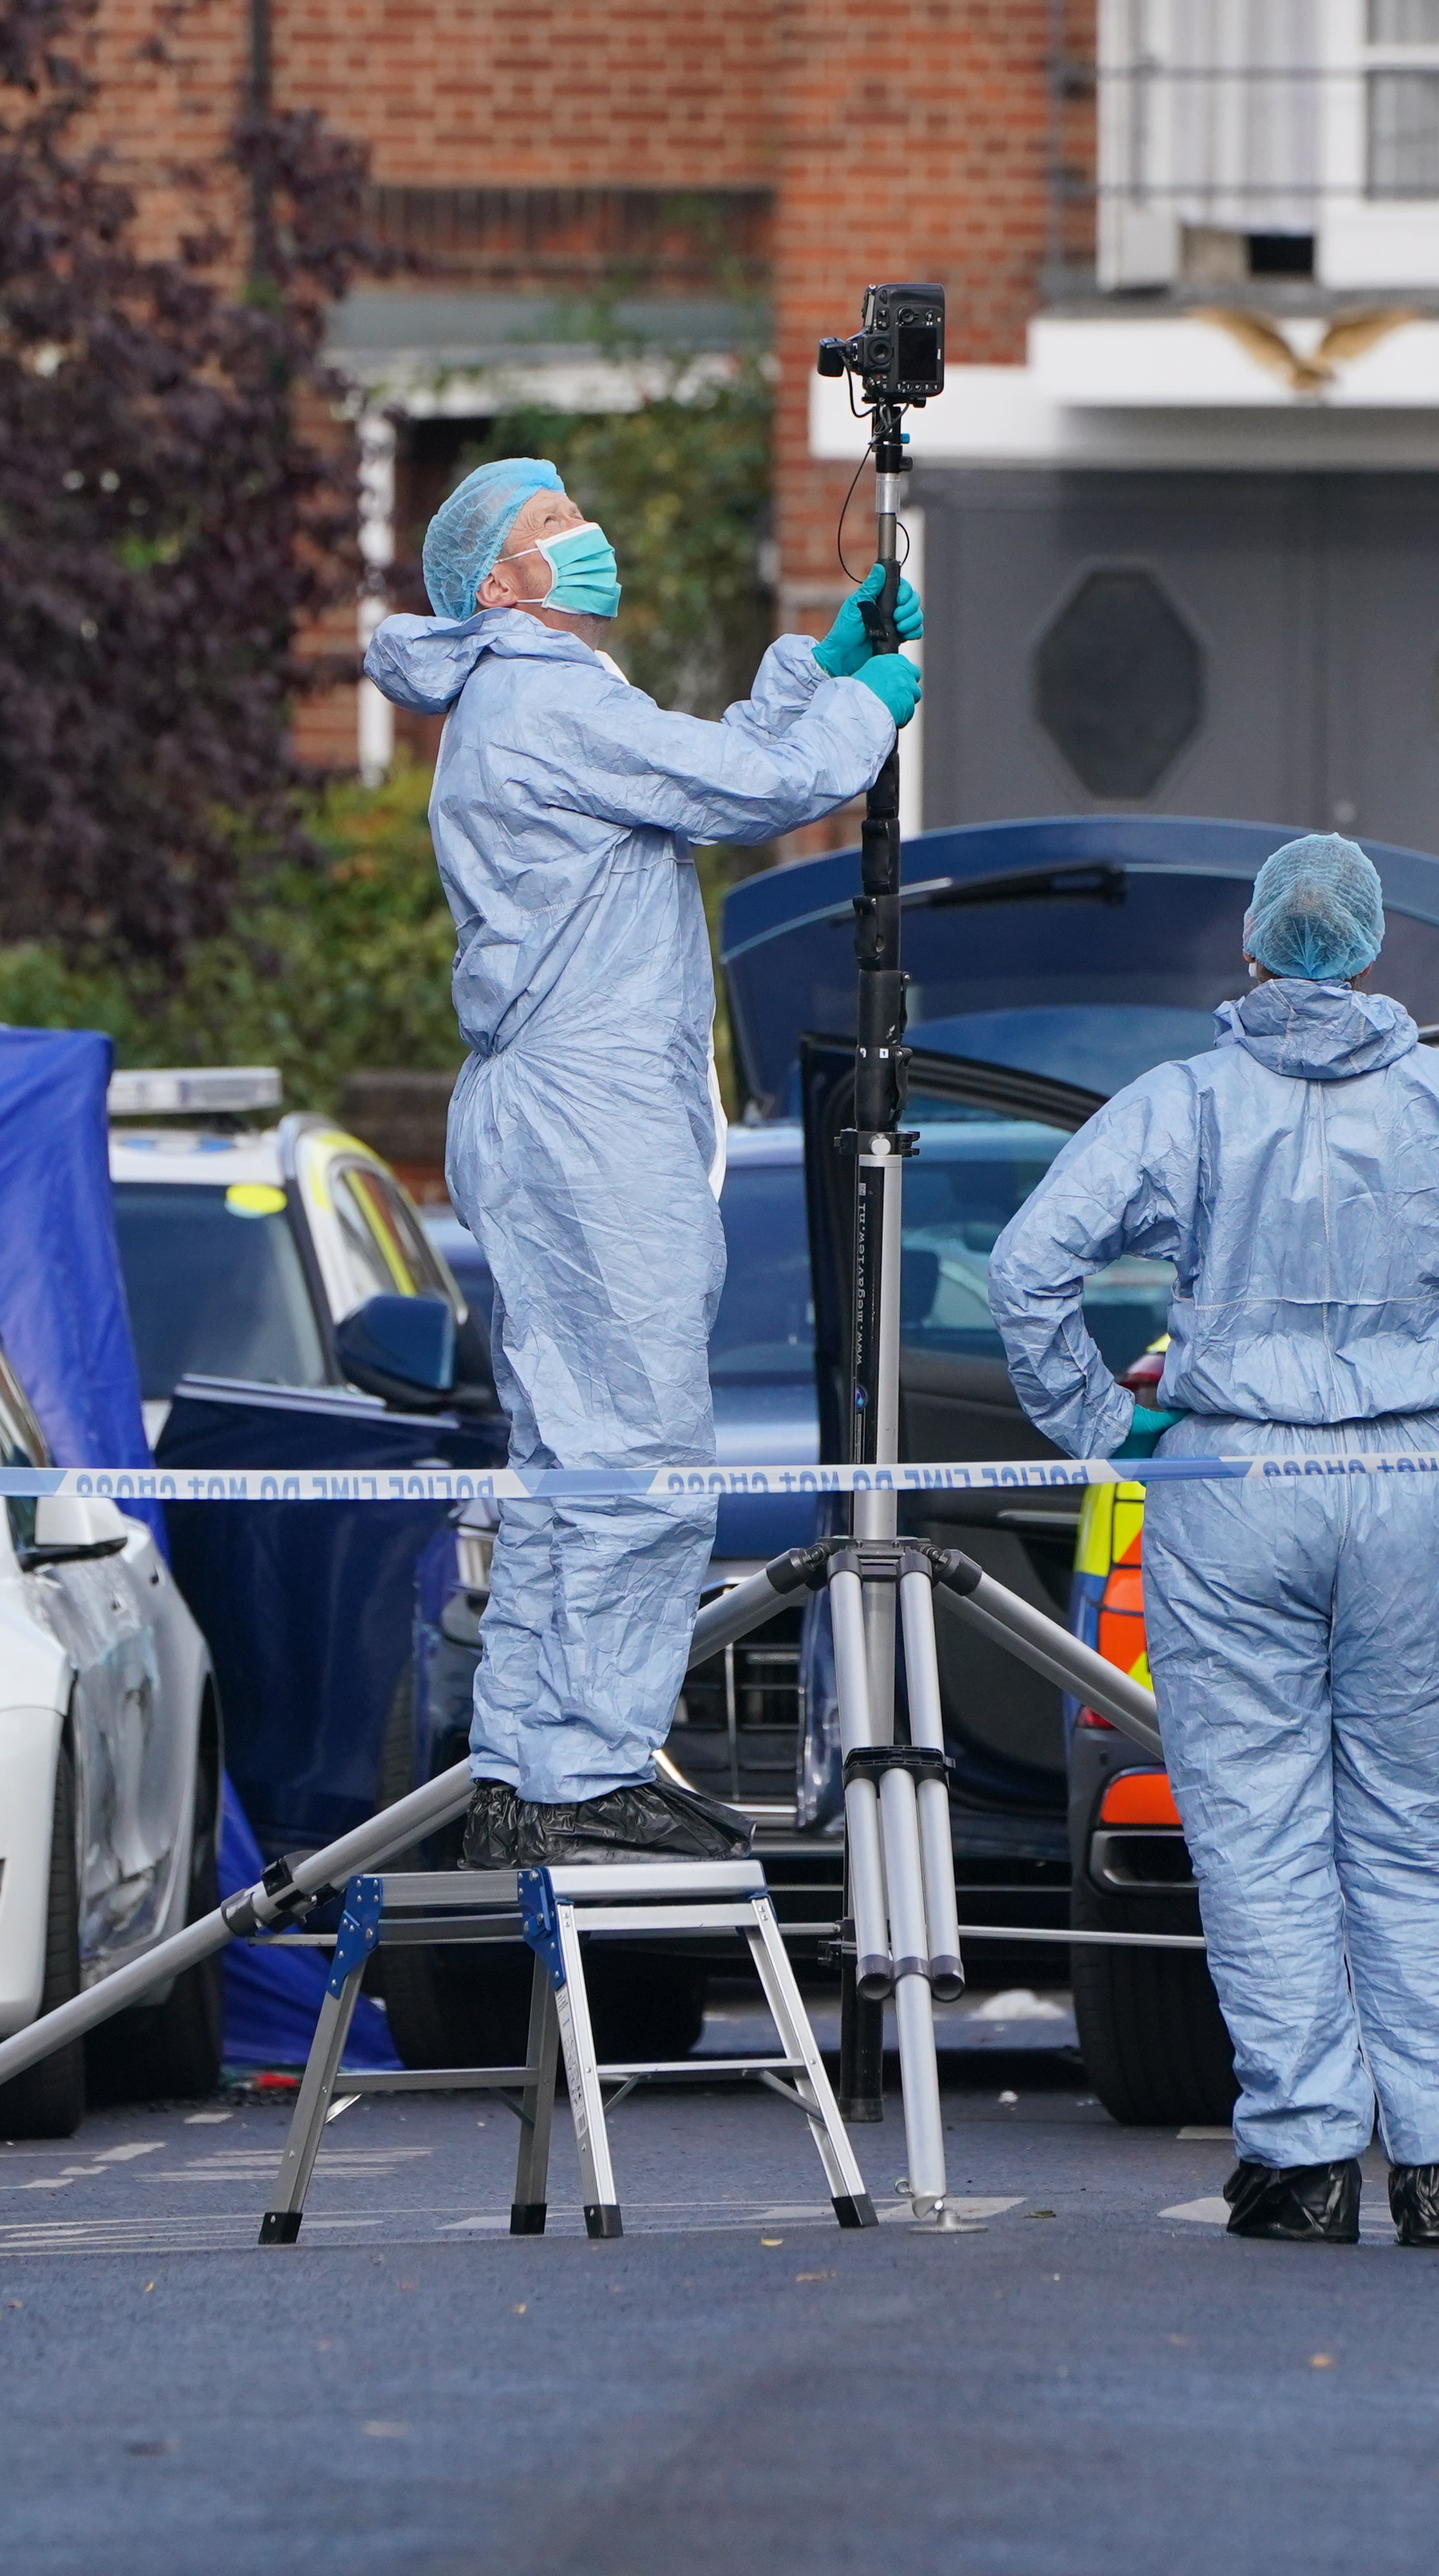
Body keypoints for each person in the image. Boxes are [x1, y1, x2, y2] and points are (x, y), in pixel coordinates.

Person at [985, 835, 1439, 2251]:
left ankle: (1299, 2157)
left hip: (1232, 1481)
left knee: (1256, 1828)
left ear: (1250, 943)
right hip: (1416, 1475)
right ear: (1371, 947)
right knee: (1414, 1834)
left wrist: (1108, 1425)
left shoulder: (1183, 1104)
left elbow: (1030, 1265)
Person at [368, 457, 924, 1868]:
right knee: (640, 1448)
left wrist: (821, 662)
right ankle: (594, 1762)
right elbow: (755, 787)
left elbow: (698, 764)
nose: (586, 535)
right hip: (591, 1113)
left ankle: (525, 1765)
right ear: (499, 579)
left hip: (550, 1108)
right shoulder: (545, 700)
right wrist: (863, 705)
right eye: (557, 523)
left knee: (567, 1450)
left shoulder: (539, 703)